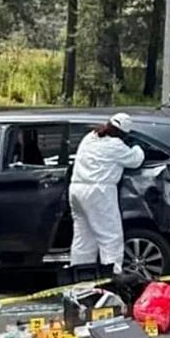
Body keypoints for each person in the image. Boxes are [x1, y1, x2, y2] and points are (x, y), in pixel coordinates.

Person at [68, 113, 144, 279]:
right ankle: (113, 278)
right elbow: (135, 160)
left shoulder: (90, 137)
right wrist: (137, 146)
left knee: (83, 238)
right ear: (123, 133)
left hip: (76, 189)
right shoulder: (116, 145)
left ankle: (80, 280)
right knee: (110, 238)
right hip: (98, 192)